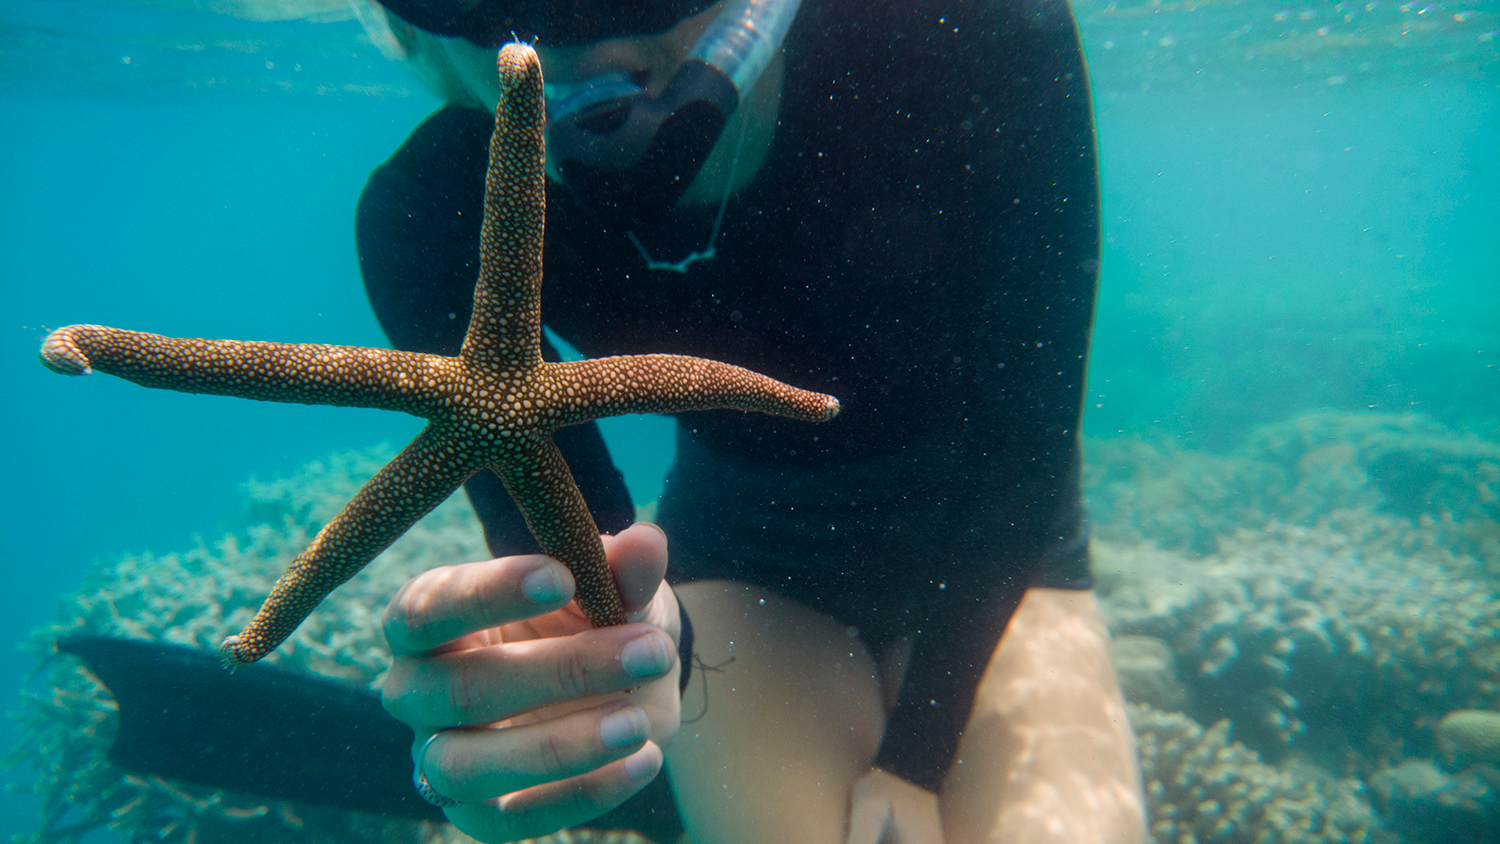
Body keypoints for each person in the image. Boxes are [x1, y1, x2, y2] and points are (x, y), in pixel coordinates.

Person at [354, 1, 1147, 842]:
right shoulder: (432, 213)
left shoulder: (965, 32)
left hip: (993, 547)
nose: (585, 37)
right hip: (748, 563)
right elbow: (592, 570)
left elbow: (1023, 457)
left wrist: (919, 760)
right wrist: (592, 660)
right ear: (415, 26)